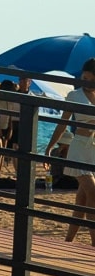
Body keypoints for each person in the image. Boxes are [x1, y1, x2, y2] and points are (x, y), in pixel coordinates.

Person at [45, 58, 95, 241]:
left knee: (82, 201)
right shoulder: (74, 95)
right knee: (93, 193)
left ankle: (68, 241)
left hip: (94, 150)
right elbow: (62, 123)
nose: (86, 82)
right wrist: (50, 147)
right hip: (79, 148)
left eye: (90, 79)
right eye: (84, 78)